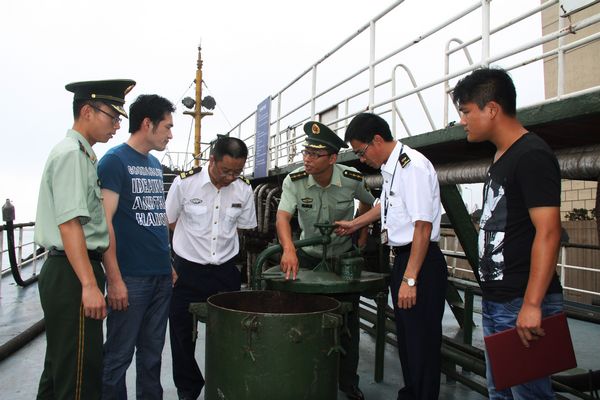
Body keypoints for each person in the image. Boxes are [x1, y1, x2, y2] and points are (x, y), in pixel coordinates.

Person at [452, 67, 563, 400]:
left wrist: (531, 304)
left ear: (492, 109)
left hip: (520, 301)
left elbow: (549, 232)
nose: (462, 121)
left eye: (466, 111)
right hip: (500, 299)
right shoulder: (502, 156)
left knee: (529, 395)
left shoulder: (531, 155)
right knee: (501, 393)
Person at [34, 79, 135, 400]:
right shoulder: (72, 155)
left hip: (71, 270)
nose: (117, 125)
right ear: (88, 111)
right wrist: (90, 286)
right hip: (73, 273)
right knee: (80, 374)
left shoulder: (82, 155)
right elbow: (70, 225)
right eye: (113, 116)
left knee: (61, 369)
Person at [335, 113, 447, 400]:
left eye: (361, 151)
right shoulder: (393, 168)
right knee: (409, 343)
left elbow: (422, 226)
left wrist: (410, 279)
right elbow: (384, 206)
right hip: (405, 260)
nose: (361, 159)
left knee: (422, 344)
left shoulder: (413, 167)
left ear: (377, 140)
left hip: (419, 264)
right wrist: (355, 224)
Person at [276, 121, 376, 400]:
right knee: (304, 321)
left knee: (347, 323)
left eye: (314, 154)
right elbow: (283, 216)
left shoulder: (351, 179)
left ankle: (347, 383)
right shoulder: (294, 181)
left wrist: (360, 228)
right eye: (305, 152)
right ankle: (303, 377)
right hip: (308, 259)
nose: (307, 158)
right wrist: (288, 249)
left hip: (342, 260)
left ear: (332, 158)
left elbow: (368, 202)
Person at [166, 136, 257, 400]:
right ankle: (188, 389)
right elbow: (169, 221)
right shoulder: (185, 183)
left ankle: (224, 384)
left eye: (237, 172)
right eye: (225, 170)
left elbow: (244, 227)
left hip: (225, 273)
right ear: (212, 160)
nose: (230, 177)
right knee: (182, 336)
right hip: (187, 272)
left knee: (229, 337)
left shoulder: (243, 189)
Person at [97, 94, 176, 399]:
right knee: (118, 357)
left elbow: (155, 218)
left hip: (159, 276)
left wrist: (166, 263)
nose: (170, 134)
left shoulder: (155, 164)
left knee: (153, 356)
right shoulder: (114, 162)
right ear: (147, 124)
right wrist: (114, 280)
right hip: (130, 278)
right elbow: (104, 223)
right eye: (167, 126)